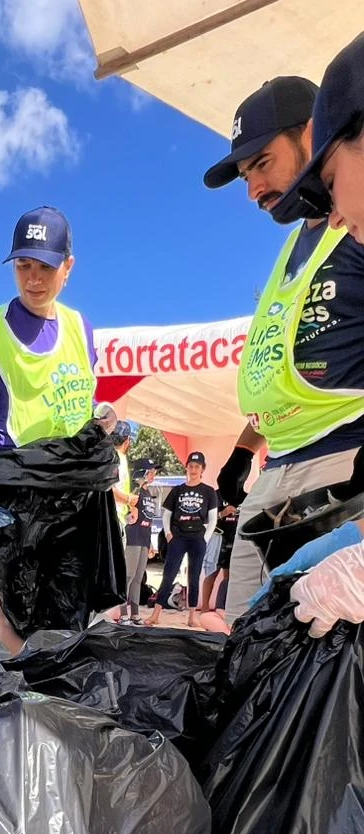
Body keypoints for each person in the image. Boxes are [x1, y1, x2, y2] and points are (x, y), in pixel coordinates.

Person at [204, 76, 364, 622]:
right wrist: (244, 452)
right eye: (245, 176)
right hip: (275, 472)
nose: (253, 190)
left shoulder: (357, 227)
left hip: (340, 469)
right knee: (242, 640)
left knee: (319, 665)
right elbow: (280, 371)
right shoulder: (292, 251)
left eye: (262, 163)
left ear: (314, 134)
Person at [0, 206, 126, 654]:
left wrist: (100, 418)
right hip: (15, 494)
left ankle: (54, 710)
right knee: (16, 609)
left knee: (71, 610)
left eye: (45, 266)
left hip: (74, 492)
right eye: (23, 266)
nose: (33, 279)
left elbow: (80, 400)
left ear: (68, 267)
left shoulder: (80, 327)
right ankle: (11, 709)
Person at [147, 452, 218, 628]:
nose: (193, 469)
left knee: (194, 577)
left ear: (202, 469)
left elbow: (213, 519)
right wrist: (169, 534)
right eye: (191, 466)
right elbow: (167, 514)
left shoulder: (209, 492)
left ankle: (192, 616)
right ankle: (156, 614)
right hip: (178, 537)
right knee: (169, 574)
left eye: (197, 466)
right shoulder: (177, 490)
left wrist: (205, 538)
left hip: (197, 538)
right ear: (186, 468)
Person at [121, 458, 158, 625]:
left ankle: (135, 613)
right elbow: (129, 515)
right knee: (128, 575)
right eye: (150, 472)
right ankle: (123, 613)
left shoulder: (149, 493)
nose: (153, 475)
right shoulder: (134, 491)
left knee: (138, 577)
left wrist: (150, 542)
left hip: (144, 537)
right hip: (133, 537)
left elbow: (148, 519)